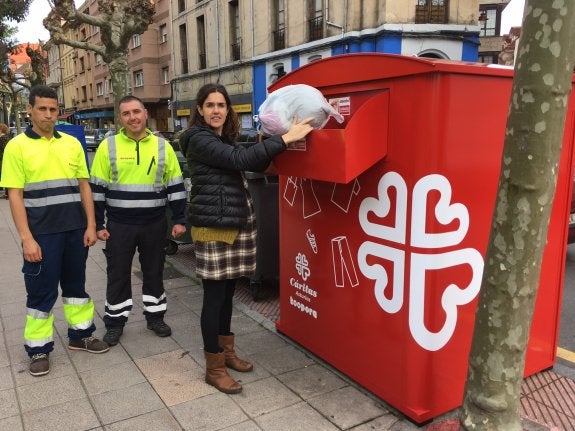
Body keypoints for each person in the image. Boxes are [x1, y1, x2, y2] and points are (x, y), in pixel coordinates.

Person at [181, 83, 313, 394]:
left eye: (221, 105)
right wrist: (285, 139)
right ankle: (213, 368)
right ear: (199, 110)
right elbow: (240, 161)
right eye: (210, 105)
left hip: (231, 223)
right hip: (214, 228)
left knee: (227, 294)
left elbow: (249, 158)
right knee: (214, 298)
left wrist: (270, 139)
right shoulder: (198, 139)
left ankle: (226, 353)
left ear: (228, 110)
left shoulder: (221, 139)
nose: (216, 110)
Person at [0, 85, 109, 377]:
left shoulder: (72, 144)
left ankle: (80, 335)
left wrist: (90, 225)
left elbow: (83, 186)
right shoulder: (16, 147)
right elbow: (14, 195)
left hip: (75, 231)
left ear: (58, 111)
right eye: (42, 109)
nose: (48, 115)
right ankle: (38, 349)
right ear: (30, 110)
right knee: (41, 294)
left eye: (53, 109)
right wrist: (26, 239)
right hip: (41, 235)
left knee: (76, 288)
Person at [90, 95, 187, 346]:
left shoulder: (163, 146)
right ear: (120, 118)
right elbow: (97, 190)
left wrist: (179, 219)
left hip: (154, 223)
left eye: (136, 111)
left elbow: (175, 185)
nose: (132, 117)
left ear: (145, 113)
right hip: (119, 225)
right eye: (126, 113)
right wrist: (98, 225)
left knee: (153, 272)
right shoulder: (107, 147)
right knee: (118, 273)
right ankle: (114, 322)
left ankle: (155, 317)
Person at [0, 122, 10, 199]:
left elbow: (5, 150)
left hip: (4, 160)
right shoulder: (4, 138)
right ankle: (7, 194)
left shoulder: (3, 138)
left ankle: (8, 194)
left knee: (6, 175)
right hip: (3, 160)